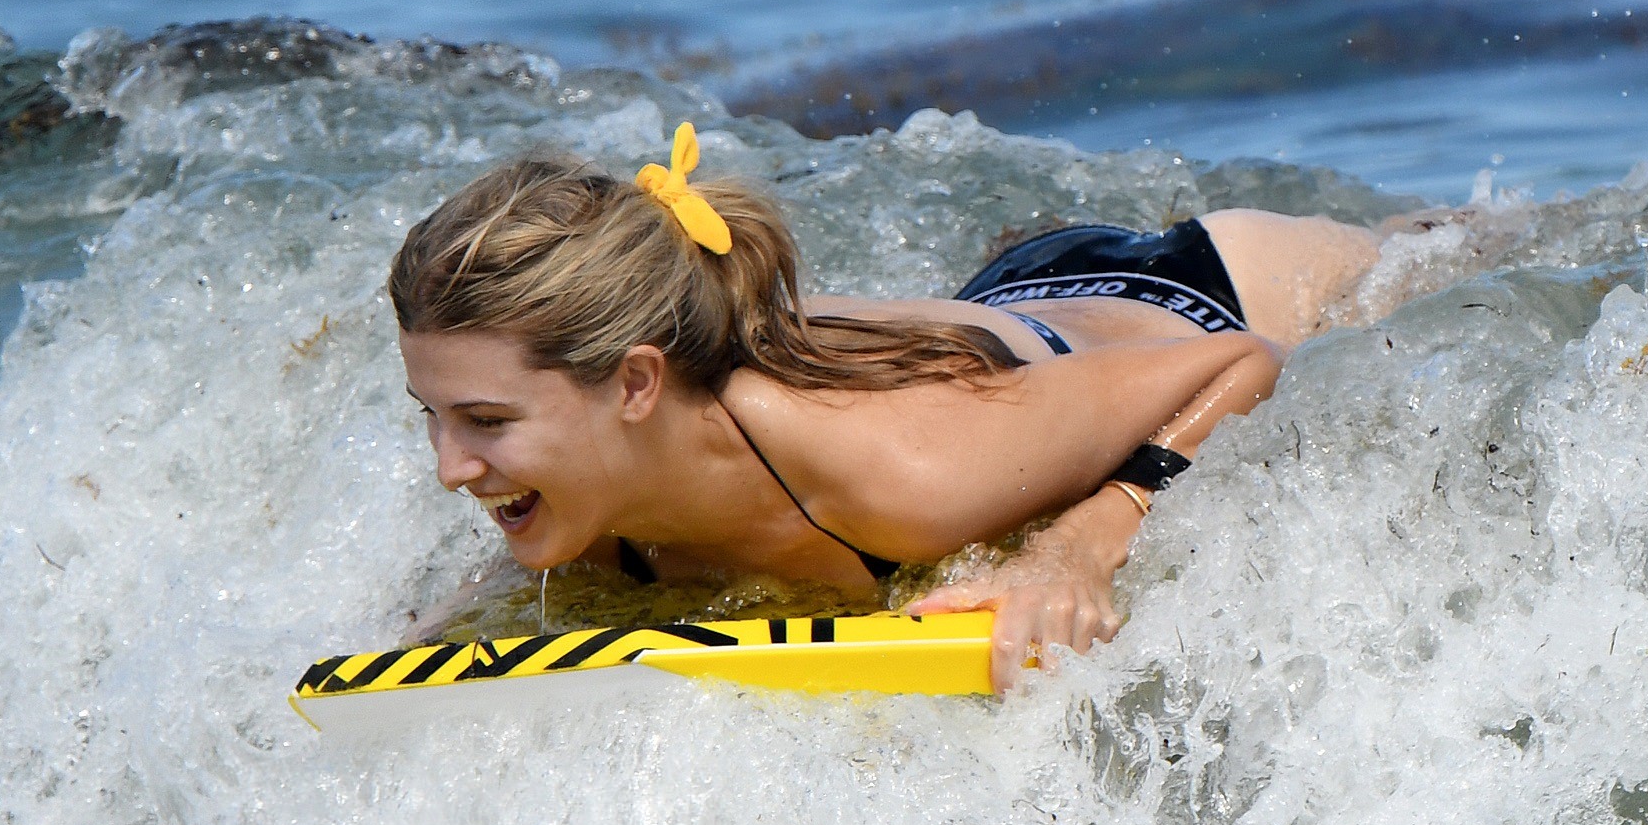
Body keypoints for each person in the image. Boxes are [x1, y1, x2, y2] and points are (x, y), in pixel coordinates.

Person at [388, 122, 1388, 691]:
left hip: (1210, 290)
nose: (450, 467)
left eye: (487, 422)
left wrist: (1078, 544)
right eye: (432, 416)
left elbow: (1240, 363)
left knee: (1488, 245)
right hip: (1002, 318)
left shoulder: (908, 476)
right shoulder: (589, 494)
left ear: (637, 384)